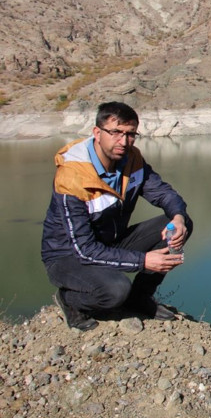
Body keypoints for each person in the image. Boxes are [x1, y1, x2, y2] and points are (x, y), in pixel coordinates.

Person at [41, 101, 193, 331]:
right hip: (68, 256)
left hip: (110, 241)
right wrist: (143, 261)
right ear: (97, 132)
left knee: (178, 224)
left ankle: (140, 298)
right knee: (116, 291)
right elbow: (84, 250)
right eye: (116, 132)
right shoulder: (72, 178)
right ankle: (70, 301)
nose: (124, 141)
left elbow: (163, 193)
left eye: (131, 134)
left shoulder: (132, 159)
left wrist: (178, 217)